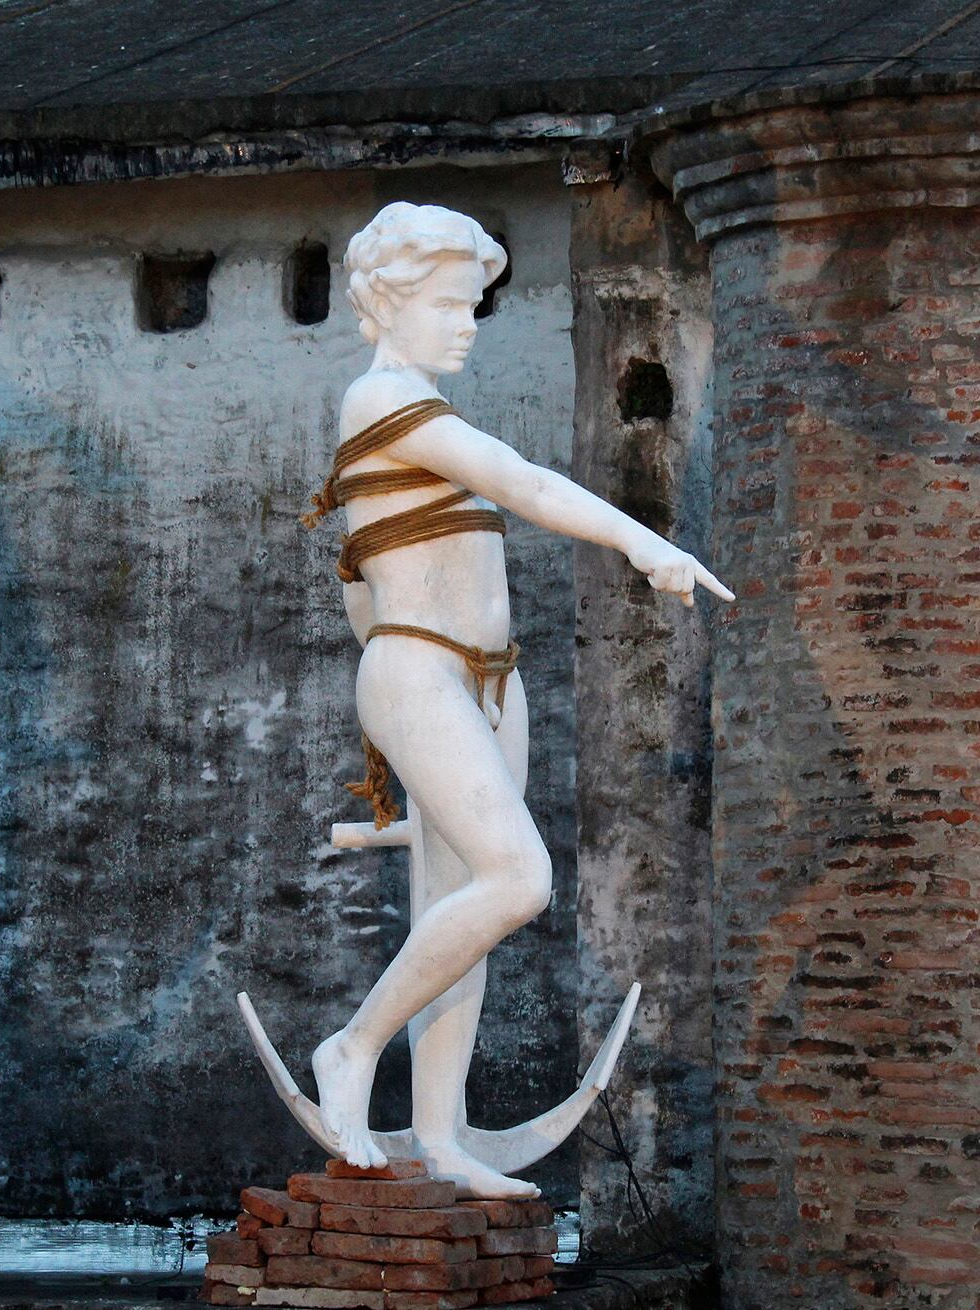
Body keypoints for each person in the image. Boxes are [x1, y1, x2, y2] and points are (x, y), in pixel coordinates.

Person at [305, 201, 731, 1196]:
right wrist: (643, 540)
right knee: (519, 878)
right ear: (389, 303)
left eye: (473, 306)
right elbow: (523, 481)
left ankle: (439, 1136)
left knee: (463, 915)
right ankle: (352, 1045)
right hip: (422, 674)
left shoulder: (415, 414)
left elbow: (357, 577)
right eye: (448, 305)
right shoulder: (378, 398)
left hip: (488, 684)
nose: (467, 325)